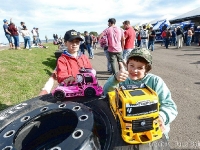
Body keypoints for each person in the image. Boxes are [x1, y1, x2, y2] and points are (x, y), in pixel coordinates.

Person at [103, 48, 178, 140]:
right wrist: (115, 79)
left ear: (147, 69)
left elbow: (169, 106)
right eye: (132, 65)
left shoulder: (155, 81)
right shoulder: (122, 80)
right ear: (127, 65)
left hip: (152, 129)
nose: (134, 70)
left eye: (140, 68)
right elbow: (106, 93)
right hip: (127, 128)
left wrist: (161, 117)